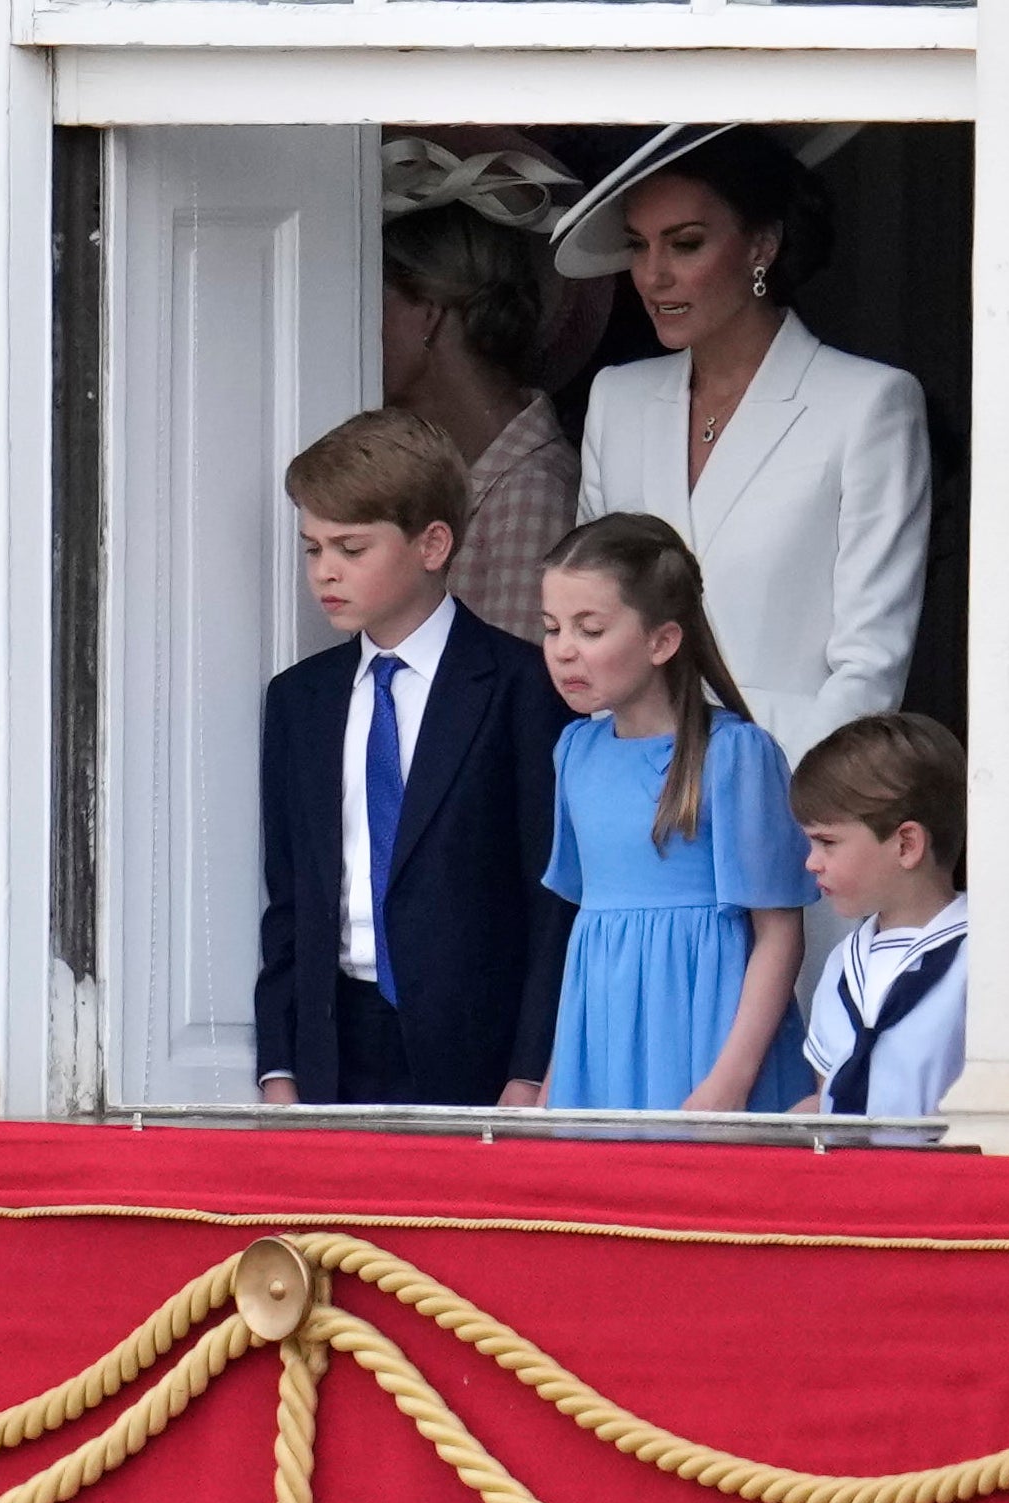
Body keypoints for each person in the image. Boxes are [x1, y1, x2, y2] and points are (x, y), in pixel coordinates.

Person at [556, 124, 932, 767]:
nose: (653, 275)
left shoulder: (868, 403)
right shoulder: (617, 400)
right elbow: (587, 611)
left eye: (686, 244)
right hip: (630, 784)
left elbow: (871, 663)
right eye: (638, 246)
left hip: (791, 787)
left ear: (762, 244)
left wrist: (778, 796)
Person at [254, 408, 575, 1107]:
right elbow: (291, 898)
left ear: (433, 544)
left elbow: (550, 898)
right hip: (334, 1042)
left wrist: (530, 1067)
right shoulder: (298, 702)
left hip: (477, 1047)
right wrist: (279, 1063)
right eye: (313, 549)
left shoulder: (521, 687)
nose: (325, 572)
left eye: (351, 548)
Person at [537, 513, 817, 1112]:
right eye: (552, 628)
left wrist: (731, 1080)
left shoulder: (735, 754)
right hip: (604, 1047)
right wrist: (557, 1081)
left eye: (590, 629)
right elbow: (587, 937)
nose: (564, 651)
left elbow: (779, 933)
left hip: (707, 1040)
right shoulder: (574, 753)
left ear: (662, 640)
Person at [380, 132, 598, 642]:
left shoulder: (532, 495)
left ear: (428, 312)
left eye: (376, 299)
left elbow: (511, 704)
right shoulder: (465, 474)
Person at [788, 714, 969, 1118]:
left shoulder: (978, 961)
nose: (812, 863)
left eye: (827, 842)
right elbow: (828, 1092)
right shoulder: (842, 965)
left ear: (906, 844)